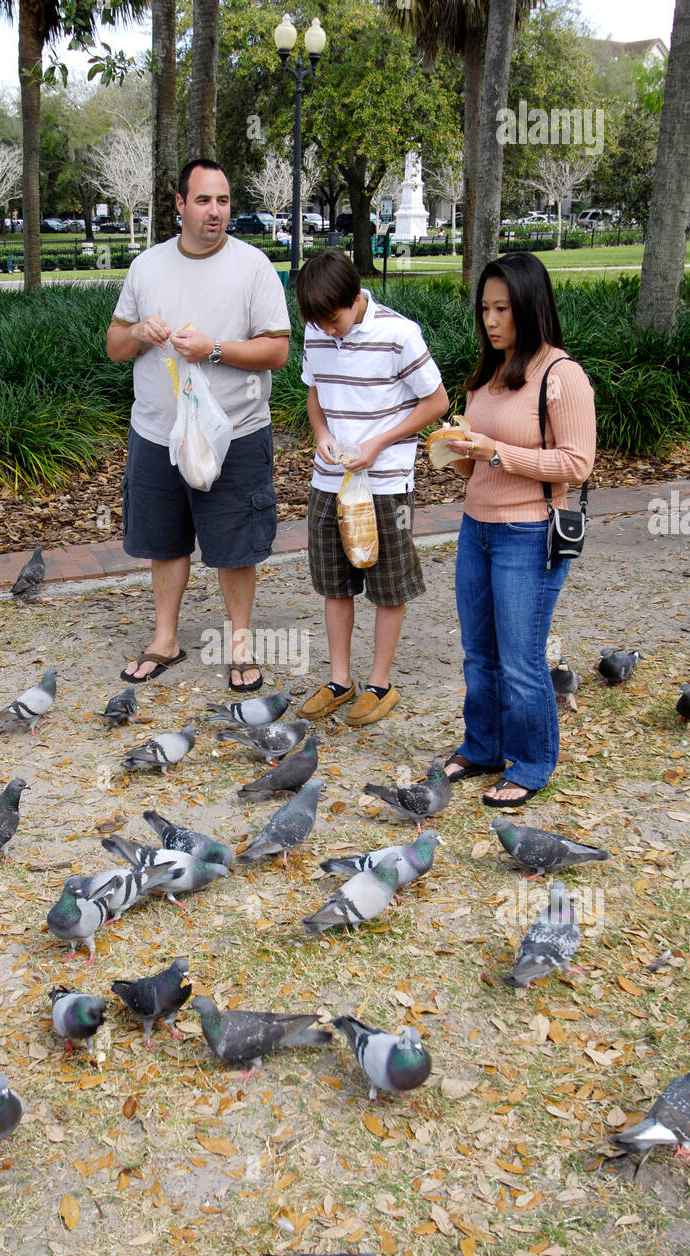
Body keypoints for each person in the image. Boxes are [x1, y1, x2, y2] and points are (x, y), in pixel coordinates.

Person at [106, 159, 291, 691]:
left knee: (236, 544)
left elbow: (276, 350)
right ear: (181, 206)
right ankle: (165, 638)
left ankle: (239, 643)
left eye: (224, 201)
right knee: (164, 540)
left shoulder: (253, 267)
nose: (216, 212)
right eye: (205, 201)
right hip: (157, 433)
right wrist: (140, 329)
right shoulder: (147, 266)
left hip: (235, 431)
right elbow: (116, 347)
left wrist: (214, 349)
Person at [442, 251, 596, 806]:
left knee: (521, 658)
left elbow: (577, 464)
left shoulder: (561, 376)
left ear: (528, 307)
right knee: (477, 652)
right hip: (475, 528)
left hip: (528, 533)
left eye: (502, 308)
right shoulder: (486, 375)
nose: (490, 320)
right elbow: (475, 463)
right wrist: (456, 449)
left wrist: (498, 453)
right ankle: (482, 746)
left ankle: (531, 762)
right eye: (485, 308)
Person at [294, 251, 449, 726]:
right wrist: (321, 435)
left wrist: (379, 443)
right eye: (318, 322)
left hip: (385, 483)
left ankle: (381, 684)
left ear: (355, 297)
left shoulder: (399, 333)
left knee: (387, 585)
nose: (328, 330)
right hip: (331, 481)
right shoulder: (317, 331)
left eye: (333, 320)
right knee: (334, 584)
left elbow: (437, 401)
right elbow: (314, 392)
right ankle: (341, 680)